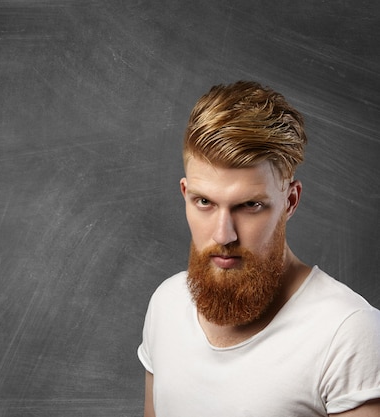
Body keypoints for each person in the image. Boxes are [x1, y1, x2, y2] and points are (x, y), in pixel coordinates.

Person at [138, 81, 380, 416]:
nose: (224, 234)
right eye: (204, 201)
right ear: (185, 194)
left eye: (250, 205)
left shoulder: (349, 333)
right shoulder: (166, 304)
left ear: (290, 201)